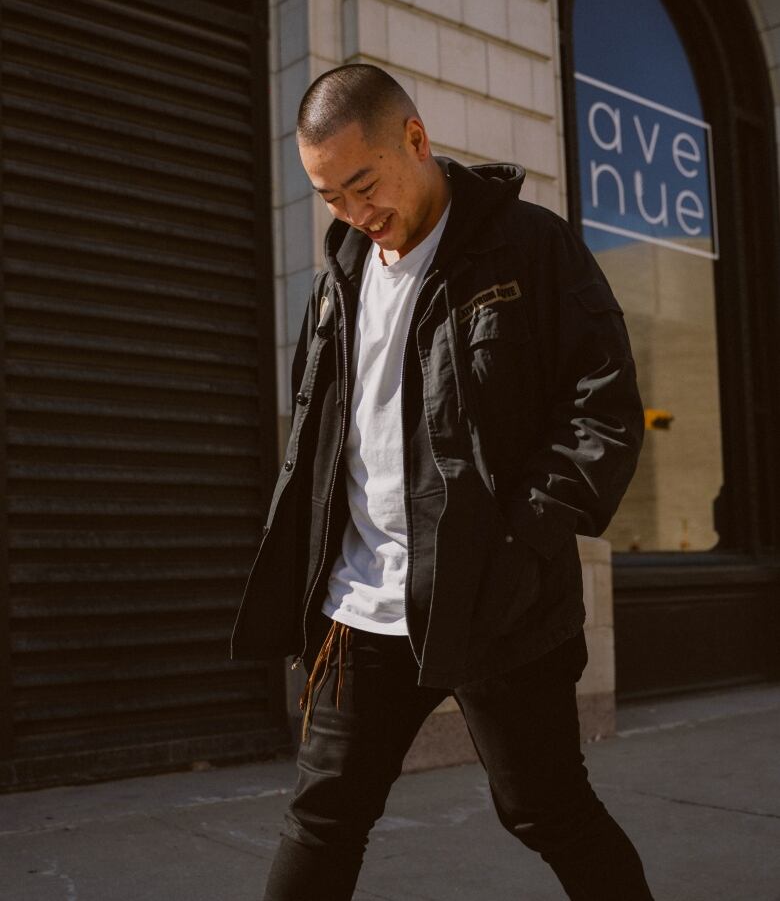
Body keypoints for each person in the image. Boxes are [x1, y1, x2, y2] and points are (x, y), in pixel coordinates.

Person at [229, 64, 654, 901]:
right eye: (329, 198)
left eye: (363, 185)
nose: (354, 215)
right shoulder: (338, 284)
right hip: (362, 608)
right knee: (324, 816)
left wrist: (519, 541)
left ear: (415, 141)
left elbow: (603, 410)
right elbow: (321, 447)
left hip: (497, 602)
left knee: (546, 808)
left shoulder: (529, 247)